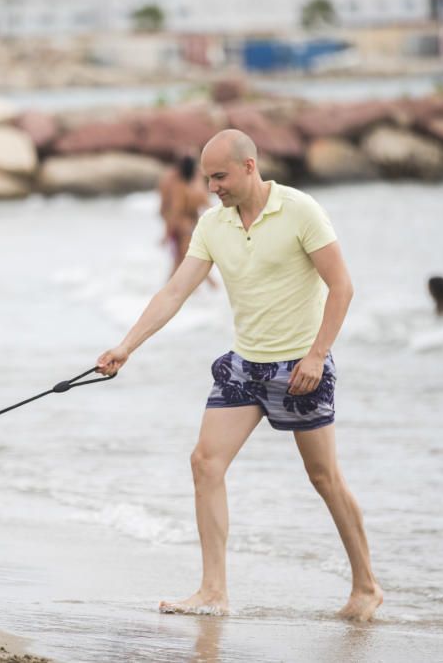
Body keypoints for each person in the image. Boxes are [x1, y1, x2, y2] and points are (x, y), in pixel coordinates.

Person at [96, 129, 383, 621]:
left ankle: (367, 587)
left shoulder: (300, 210)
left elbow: (342, 288)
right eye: (208, 178)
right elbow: (174, 292)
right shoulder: (212, 224)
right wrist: (127, 346)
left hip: (300, 366)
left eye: (220, 176)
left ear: (250, 166)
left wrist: (317, 356)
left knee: (324, 477)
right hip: (244, 367)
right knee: (205, 463)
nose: (212, 187)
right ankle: (213, 591)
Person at [158, 154, 210, 278]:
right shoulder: (190, 182)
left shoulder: (175, 181)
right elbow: (205, 203)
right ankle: (210, 288)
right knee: (187, 260)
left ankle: (172, 290)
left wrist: (167, 232)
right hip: (185, 225)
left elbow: (171, 209)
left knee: (183, 260)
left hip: (182, 224)